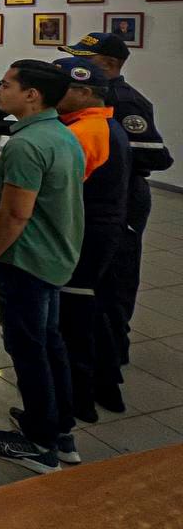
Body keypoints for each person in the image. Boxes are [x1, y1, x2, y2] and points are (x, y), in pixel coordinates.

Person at [0, 60, 85, 473]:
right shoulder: (60, 134)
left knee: (28, 348)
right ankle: (58, 427)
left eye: (6, 85)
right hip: (55, 256)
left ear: (31, 95)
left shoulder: (26, 145)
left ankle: (39, 444)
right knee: (49, 342)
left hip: (28, 261)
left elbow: (15, 214)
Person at [63, 32, 173, 381]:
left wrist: (107, 151)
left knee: (115, 277)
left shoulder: (125, 100)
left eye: (85, 59)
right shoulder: (94, 98)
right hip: (98, 196)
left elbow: (157, 156)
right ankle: (96, 350)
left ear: (107, 65)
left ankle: (112, 354)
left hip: (122, 197)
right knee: (93, 278)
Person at [52, 57, 130, 423]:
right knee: (93, 310)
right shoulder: (98, 124)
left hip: (86, 238)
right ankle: (104, 384)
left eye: (60, 88)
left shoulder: (85, 133)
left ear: (85, 92)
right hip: (102, 233)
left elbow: (58, 193)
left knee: (75, 318)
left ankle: (77, 399)